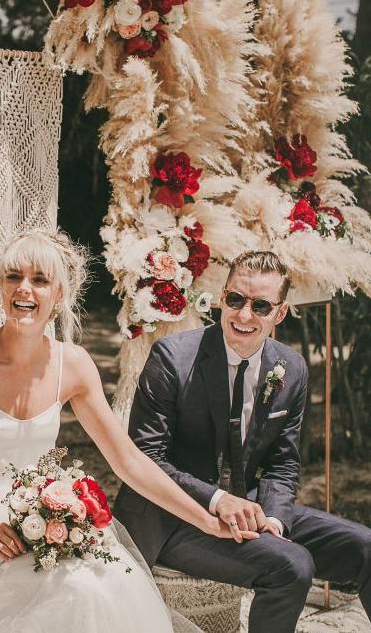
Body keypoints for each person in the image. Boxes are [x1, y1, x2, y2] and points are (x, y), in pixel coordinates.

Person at [0, 229, 254, 632]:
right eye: (13, 277)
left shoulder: (74, 366)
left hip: (44, 525)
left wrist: (204, 519)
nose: (24, 289)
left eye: (40, 280)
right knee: (66, 597)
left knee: (102, 588)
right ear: (0, 285)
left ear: (59, 295)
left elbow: (129, 461)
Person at [114, 250, 371, 633]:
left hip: (251, 508)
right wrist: (219, 501)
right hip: (174, 516)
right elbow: (146, 457)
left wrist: (275, 522)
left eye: (261, 305)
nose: (244, 315)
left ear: (279, 313)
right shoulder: (173, 358)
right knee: (292, 566)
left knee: (365, 547)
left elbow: (284, 463)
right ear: (222, 297)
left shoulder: (291, 368)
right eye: (235, 300)